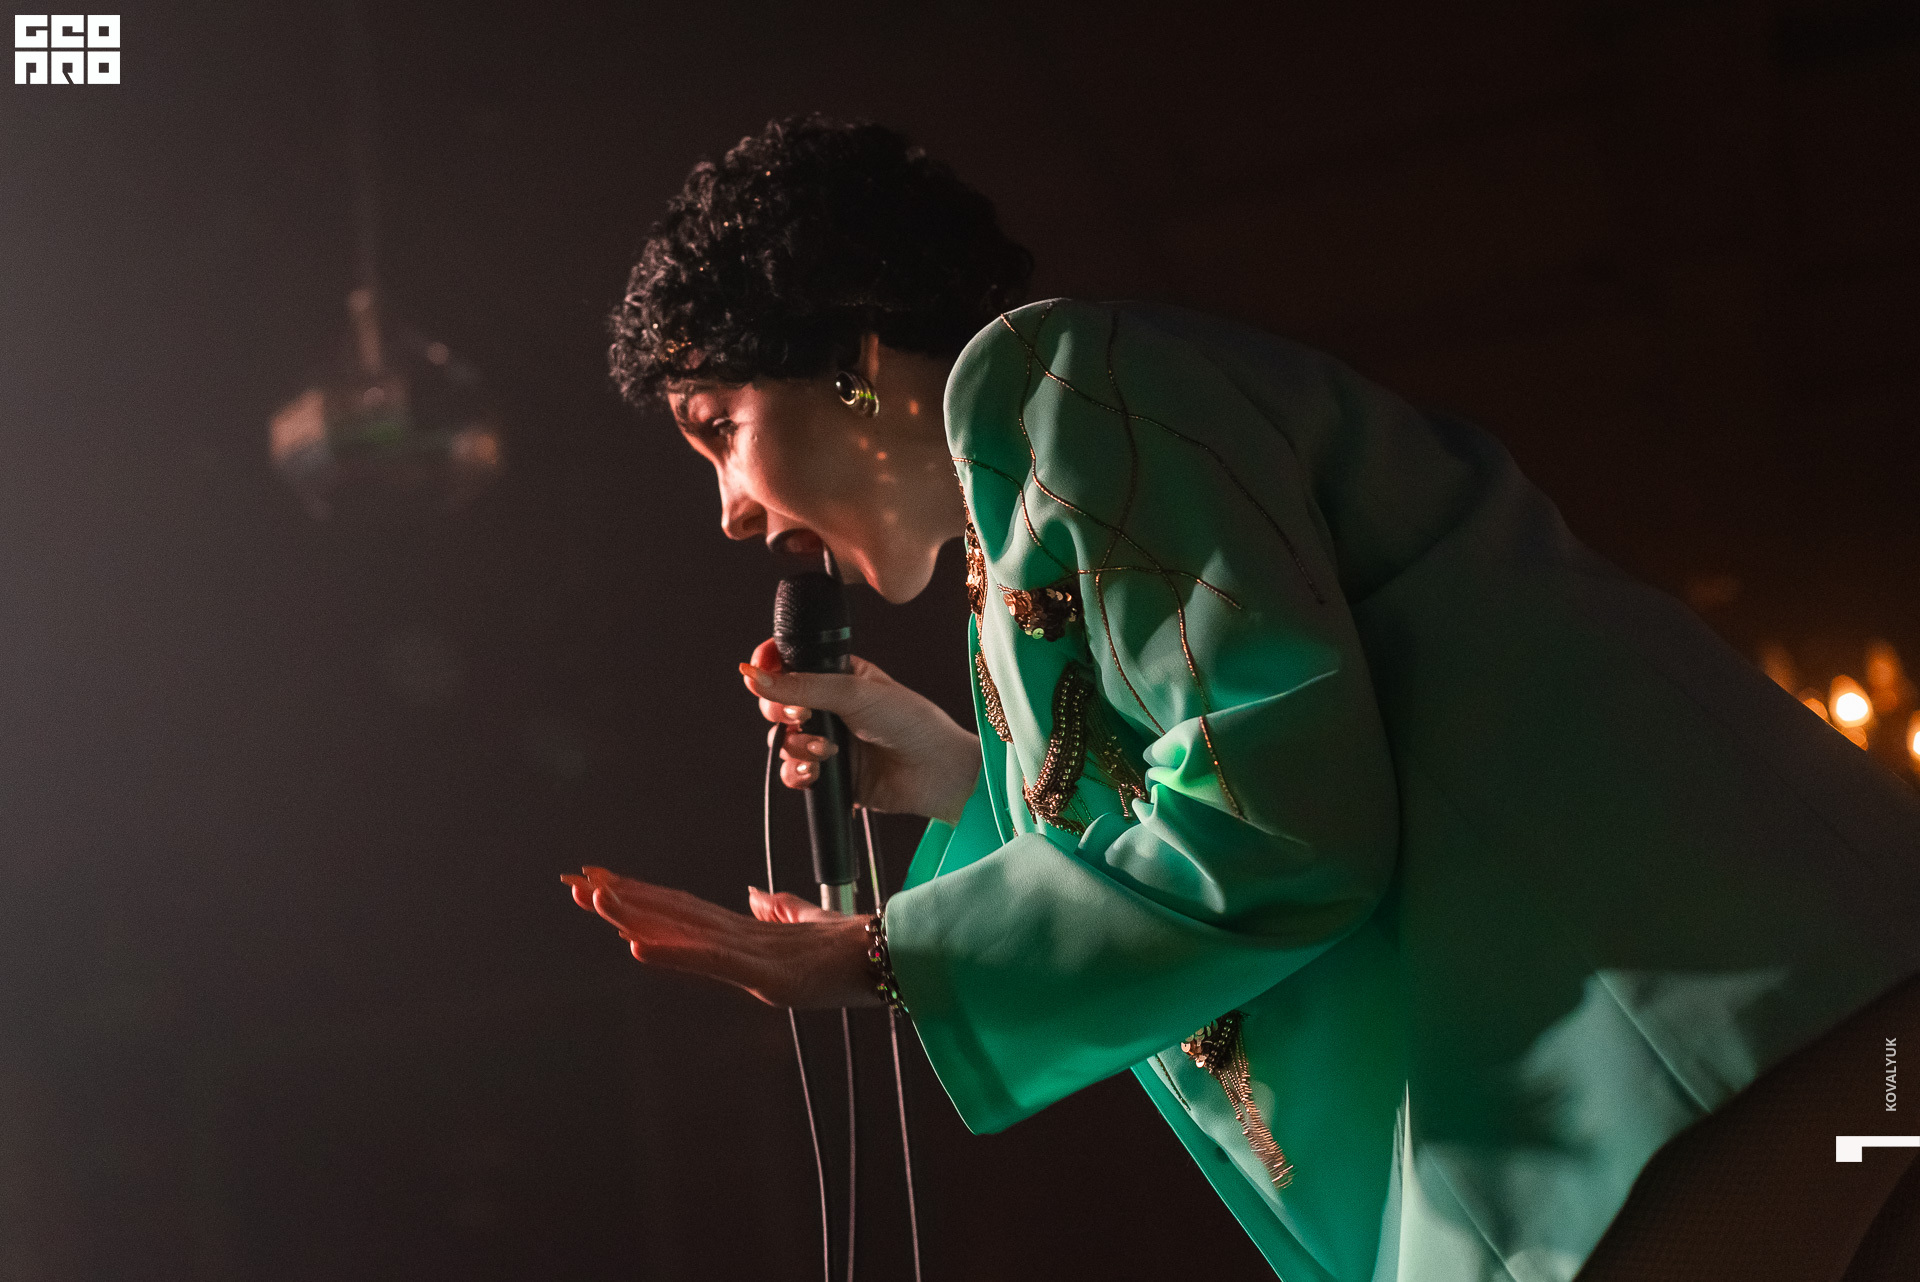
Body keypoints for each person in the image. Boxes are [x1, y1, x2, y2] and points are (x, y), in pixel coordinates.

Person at [562, 114, 1920, 1280]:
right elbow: (1232, 772)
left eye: (719, 428)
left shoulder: (1057, 382)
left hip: (1728, 1058)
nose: (731, 510)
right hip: (1769, 1058)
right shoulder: (1033, 480)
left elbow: (1278, 825)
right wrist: (957, 772)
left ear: (851, 358)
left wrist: (879, 955)